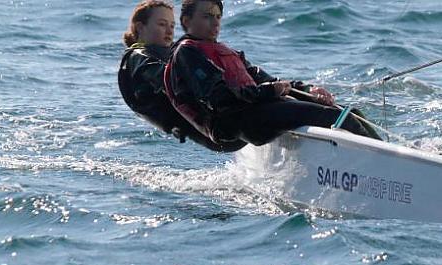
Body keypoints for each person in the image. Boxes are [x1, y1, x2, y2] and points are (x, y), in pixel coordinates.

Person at [164, 0, 379, 147]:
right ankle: (383, 164)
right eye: (207, 16)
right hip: (236, 122)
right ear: (186, 21)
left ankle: (394, 152)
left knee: (348, 112)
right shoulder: (187, 53)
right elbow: (220, 99)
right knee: (334, 117)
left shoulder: (225, 51)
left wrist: (307, 90)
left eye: (218, 16)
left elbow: (266, 81)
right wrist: (268, 92)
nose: (215, 22)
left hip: (256, 110)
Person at [118, 0, 246, 152]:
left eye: (172, 26)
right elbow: (165, 78)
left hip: (217, 125)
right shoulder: (137, 58)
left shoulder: (171, 53)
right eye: (162, 24)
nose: (169, 31)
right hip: (212, 128)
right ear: (140, 27)